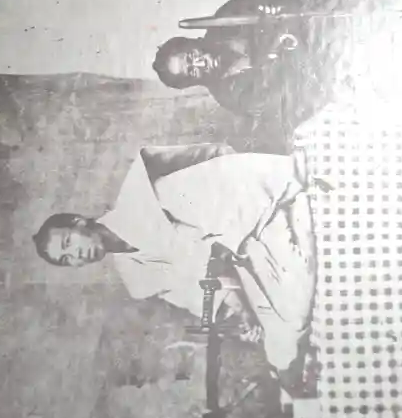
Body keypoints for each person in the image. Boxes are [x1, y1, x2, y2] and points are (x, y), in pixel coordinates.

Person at [32, 143, 315, 373]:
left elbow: (210, 240)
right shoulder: (135, 277)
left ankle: (298, 211)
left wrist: (241, 305)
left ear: (79, 222)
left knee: (297, 309)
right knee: (282, 353)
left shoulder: (140, 200)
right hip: (236, 269)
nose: (76, 254)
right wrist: (239, 321)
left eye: (68, 242)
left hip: (246, 223)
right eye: (67, 259)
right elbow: (193, 295)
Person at [151, 0, 320, 139]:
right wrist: (266, 54)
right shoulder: (230, 96)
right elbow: (287, 100)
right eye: (192, 71)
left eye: (191, 56)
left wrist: (273, 11)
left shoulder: (226, 16)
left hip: (314, 15)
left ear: (193, 42)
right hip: (318, 64)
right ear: (193, 82)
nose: (200, 63)